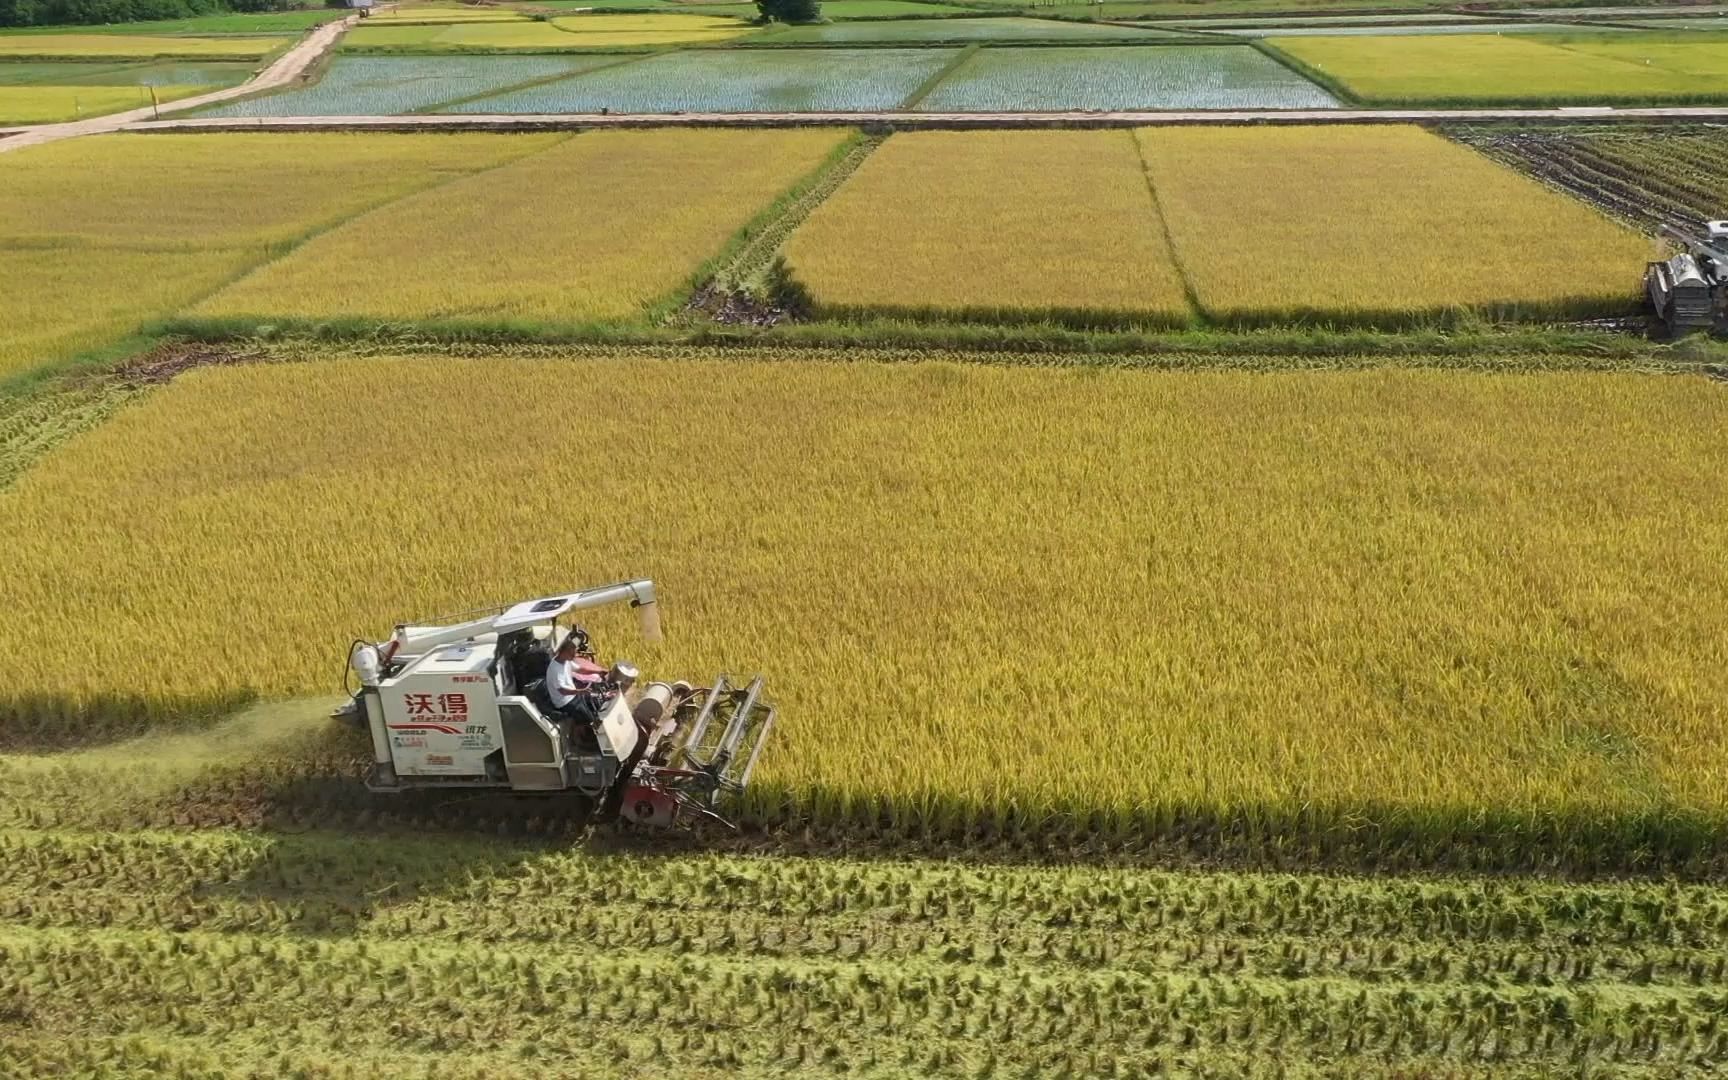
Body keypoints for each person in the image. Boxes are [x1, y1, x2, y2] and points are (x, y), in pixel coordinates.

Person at [545, 633, 606, 745]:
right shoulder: (554, 669)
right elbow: (562, 691)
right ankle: (581, 740)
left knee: (594, 703)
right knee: (589, 718)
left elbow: (580, 670)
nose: (574, 656)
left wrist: (598, 671)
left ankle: (583, 730)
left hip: (573, 695)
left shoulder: (566, 661)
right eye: (572, 654)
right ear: (564, 652)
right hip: (563, 701)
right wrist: (580, 691)